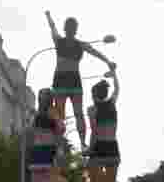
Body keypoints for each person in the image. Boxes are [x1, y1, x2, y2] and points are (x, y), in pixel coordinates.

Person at [44, 11, 117, 150]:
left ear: (73, 29)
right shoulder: (61, 41)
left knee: (72, 114)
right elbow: (52, 27)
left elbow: (95, 52)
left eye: (73, 27)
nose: (72, 30)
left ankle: (81, 143)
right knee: (62, 115)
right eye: (70, 27)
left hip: (68, 80)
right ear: (68, 29)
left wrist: (108, 61)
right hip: (64, 80)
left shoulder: (75, 43)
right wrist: (48, 16)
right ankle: (65, 143)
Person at [86, 73, 121, 182]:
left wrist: (89, 149)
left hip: (99, 149)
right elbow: (117, 88)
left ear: (94, 95)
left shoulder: (91, 110)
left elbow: (94, 132)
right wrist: (113, 74)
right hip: (113, 148)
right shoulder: (112, 103)